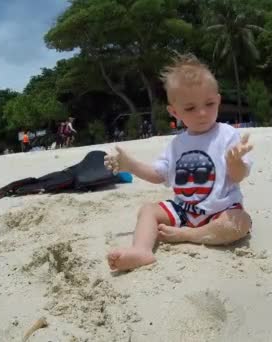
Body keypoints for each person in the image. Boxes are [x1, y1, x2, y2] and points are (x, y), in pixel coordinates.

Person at [103, 54, 253, 272]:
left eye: (209, 104)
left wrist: (235, 161)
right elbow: (158, 175)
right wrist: (130, 165)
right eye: (190, 108)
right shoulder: (176, 144)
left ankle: (189, 235)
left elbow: (238, 176)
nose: (202, 113)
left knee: (241, 222)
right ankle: (141, 250)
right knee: (148, 210)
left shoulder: (228, 135)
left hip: (220, 209)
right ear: (174, 112)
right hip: (183, 209)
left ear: (218, 100)